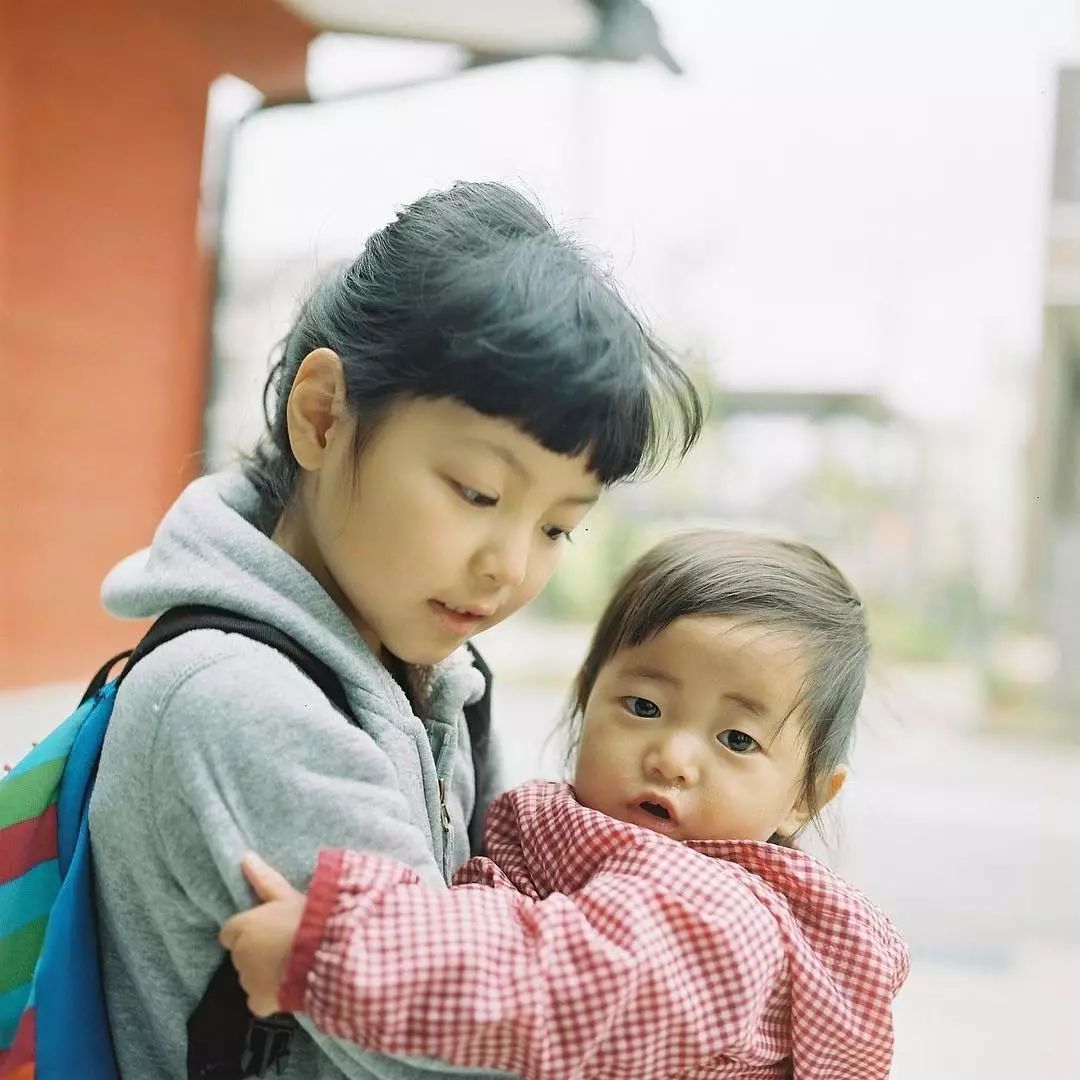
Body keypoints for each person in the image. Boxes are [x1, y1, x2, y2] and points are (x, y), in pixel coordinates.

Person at [87, 180, 703, 1080]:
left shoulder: (425, 667)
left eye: (557, 526)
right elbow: (459, 1054)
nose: (511, 565)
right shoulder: (244, 703)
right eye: (478, 494)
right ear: (324, 415)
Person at [221, 530, 910, 1080]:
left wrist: (332, 951)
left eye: (736, 738)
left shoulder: (723, 920)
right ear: (586, 700)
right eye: (643, 706)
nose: (672, 756)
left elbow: (556, 986)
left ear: (804, 798)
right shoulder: (578, 837)